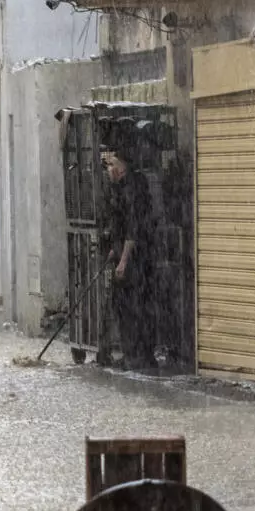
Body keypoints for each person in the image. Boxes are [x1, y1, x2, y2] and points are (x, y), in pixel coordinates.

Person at [103, 146, 158, 371]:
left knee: (132, 307)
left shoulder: (133, 189)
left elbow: (133, 229)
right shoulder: (122, 187)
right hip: (129, 255)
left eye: (111, 165)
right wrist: (113, 252)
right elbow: (121, 224)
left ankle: (137, 355)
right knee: (129, 306)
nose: (108, 170)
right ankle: (136, 354)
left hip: (136, 259)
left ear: (120, 167)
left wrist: (123, 260)